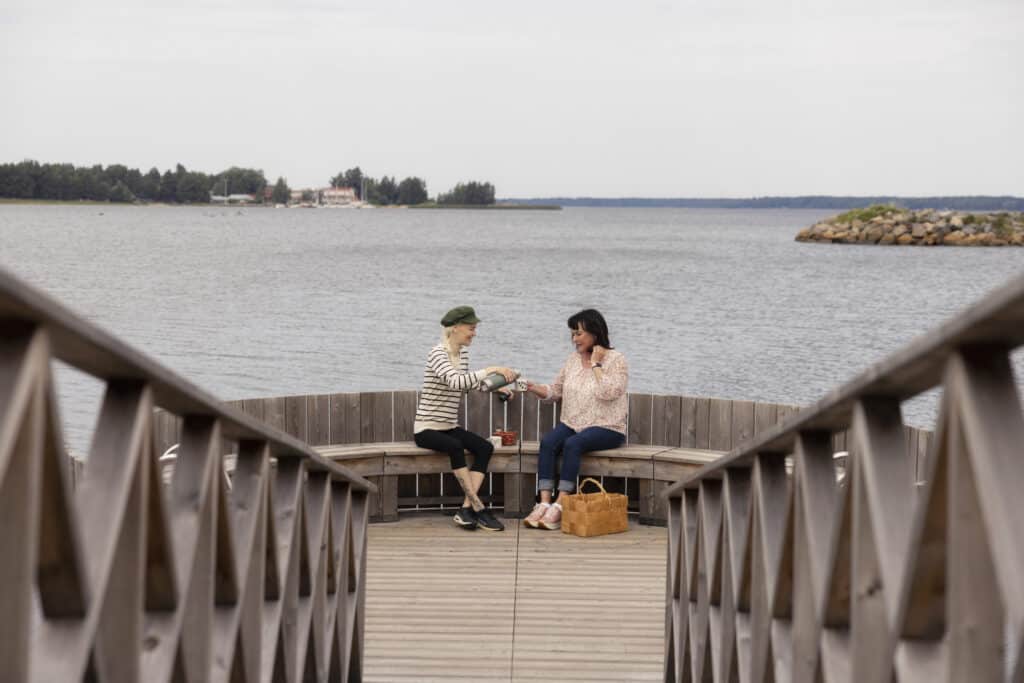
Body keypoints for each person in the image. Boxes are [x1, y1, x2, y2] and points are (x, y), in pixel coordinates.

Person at [413, 305, 517, 531]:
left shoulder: (463, 354)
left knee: (484, 448)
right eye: (471, 328)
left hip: (449, 425)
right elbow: (455, 381)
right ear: (456, 328)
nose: (474, 333)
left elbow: (467, 384)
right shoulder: (438, 353)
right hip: (426, 429)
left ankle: (466, 509)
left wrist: (495, 387)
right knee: (455, 446)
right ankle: (479, 508)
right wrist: (491, 368)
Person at [523, 309, 628, 530]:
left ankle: (560, 505)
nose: (574, 339)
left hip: (607, 427)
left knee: (573, 444)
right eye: (572, 334)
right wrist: (533, 387)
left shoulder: (616, 360)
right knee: (549, 442)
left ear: (595, 333)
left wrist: (597, 364)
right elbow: (555, 391)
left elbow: (609, 392)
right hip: (573, 423)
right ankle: (543, 502)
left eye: (579, 333)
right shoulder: (572, 360)